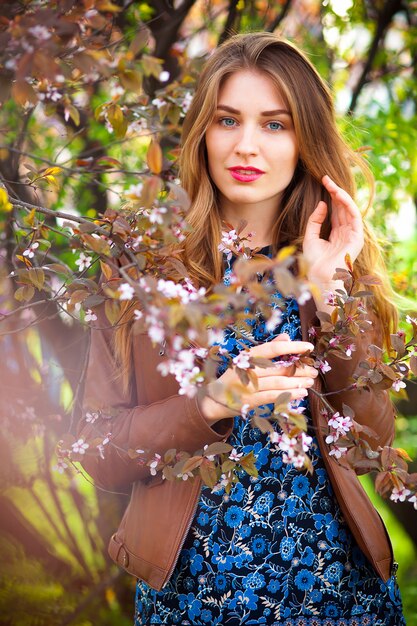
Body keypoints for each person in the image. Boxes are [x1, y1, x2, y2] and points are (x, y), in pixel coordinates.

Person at [78, 33, 405, 625]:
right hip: (195, 600)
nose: (245, 146)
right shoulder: (144, 270)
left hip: (338, 596)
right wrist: (208, 404)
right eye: (228, 119)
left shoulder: (327, 263)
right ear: (203, 130)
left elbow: (371, 444)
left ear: (306, 139)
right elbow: (97, 450)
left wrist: (332, 294)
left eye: (275, 124)